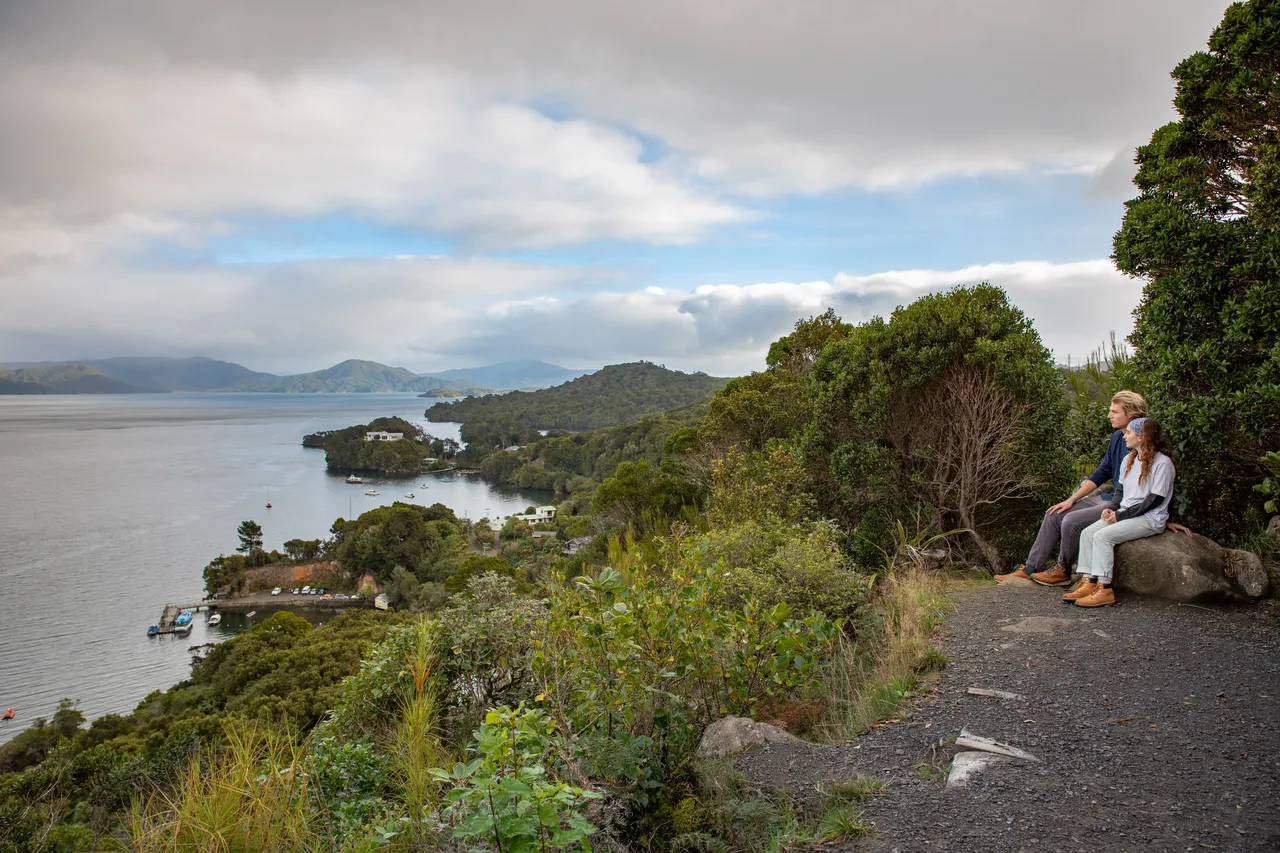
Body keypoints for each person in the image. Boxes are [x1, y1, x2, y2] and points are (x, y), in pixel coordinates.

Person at [995, 390, 1147, 586]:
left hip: (1122, 504)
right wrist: (1072, 499)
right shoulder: (1118, 438)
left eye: (1114, 412)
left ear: (1131, 414)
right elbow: (1101, 473)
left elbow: (1157, 487)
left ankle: (1063, 570)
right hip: (1109, 497)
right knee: (1054, 513)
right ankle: (1030, 568)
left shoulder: (1144, 443)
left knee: (1071, 520)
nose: (1109, 415)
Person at [1065, 417, 1175, 607]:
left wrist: (1120, 515)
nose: (1124, 437)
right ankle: (1088, 582)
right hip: (1125, 512)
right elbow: (1120, 492)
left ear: (1141, 437)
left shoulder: (1162, 464)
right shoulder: (1129, 459)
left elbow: (1153, 501)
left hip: (1149, 518)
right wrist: (1111, 509)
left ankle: (1105, 588)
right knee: (1087, 533)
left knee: (1102, 537)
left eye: (1129, 433)